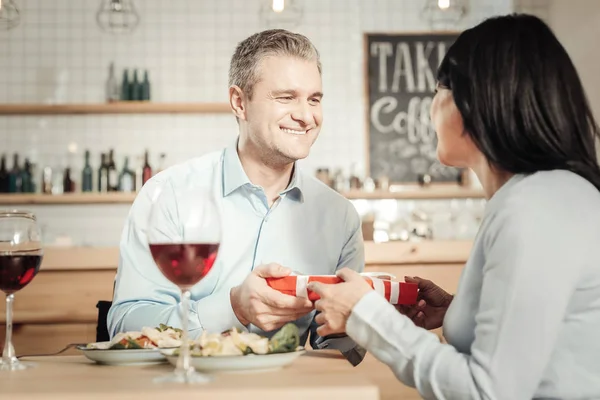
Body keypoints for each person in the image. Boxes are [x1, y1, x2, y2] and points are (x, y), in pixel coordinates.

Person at [308, 13, 600, 399]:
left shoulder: (533, 209)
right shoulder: (545, 196)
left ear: (473, 101)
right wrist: (462, 311)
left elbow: (487, 392)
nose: (430, 110)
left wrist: (364, 313)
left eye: (437, 90)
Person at [107, 29, 366, 364]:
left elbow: (336, 350)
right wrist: (233, 307)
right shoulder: (167, 195)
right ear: (239, 102)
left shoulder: (340, 217)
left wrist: (364, 322)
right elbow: (125, 325)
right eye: (286, 97)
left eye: (314, 99)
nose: (306, 115)